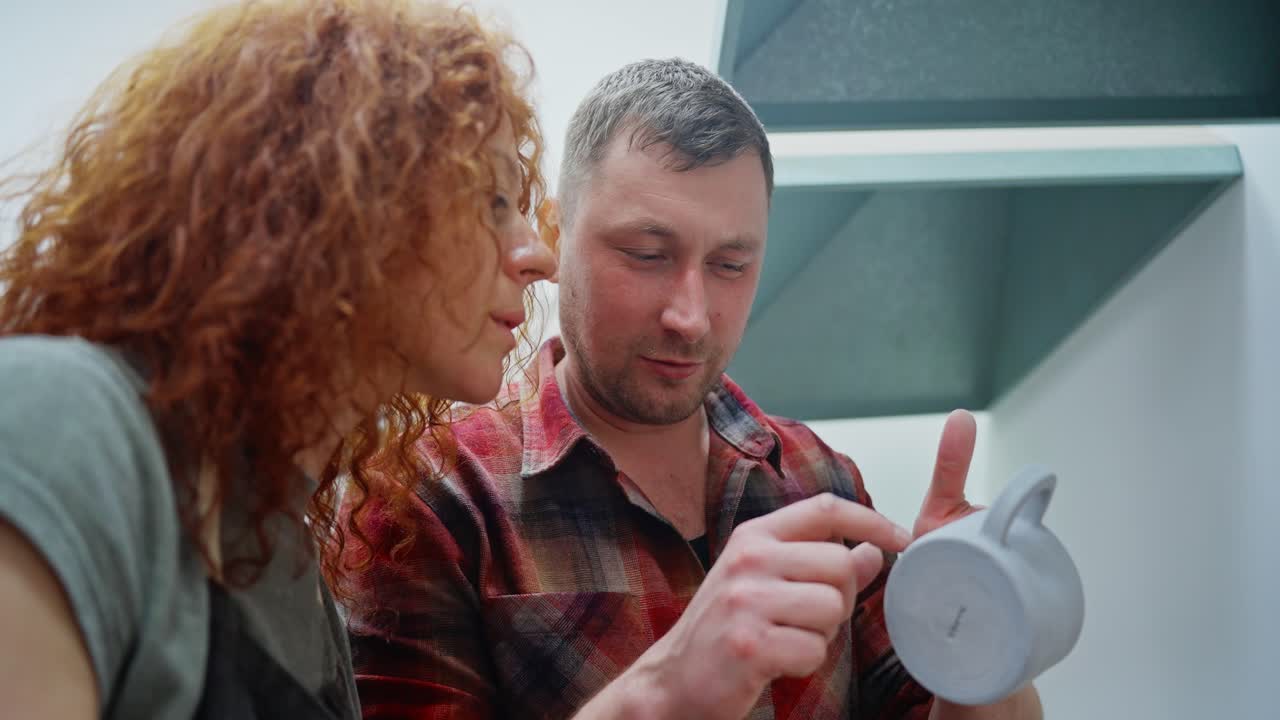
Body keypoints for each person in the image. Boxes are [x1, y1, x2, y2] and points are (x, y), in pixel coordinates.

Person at [341, 59, 1043, 720]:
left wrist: (983, 636)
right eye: (646, 256)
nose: (691, 315)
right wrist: (666, 690)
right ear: (554, 234)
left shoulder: (819, 481)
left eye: (731, 265)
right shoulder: (425, 501)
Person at [0, 0, 556, 717]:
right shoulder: (66, 424)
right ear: (344, 197)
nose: (538, 255)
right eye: (493, 200)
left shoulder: (292, 563)